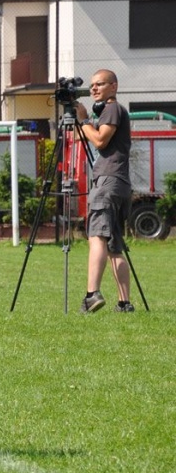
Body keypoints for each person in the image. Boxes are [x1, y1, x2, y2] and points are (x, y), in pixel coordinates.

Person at [74, 69, 133, 313]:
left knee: (96, 236)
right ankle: (124, 303)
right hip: (119, 183)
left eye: (100, 84)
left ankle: (92, 294)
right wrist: (84, 122)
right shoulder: (110, 111)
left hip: (107, 181)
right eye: (91, 86)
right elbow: (84, 139)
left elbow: (99, 140)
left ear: (114, 86)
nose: (94, 89)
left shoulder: (112, 108)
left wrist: (85, 120)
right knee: (114, 247)